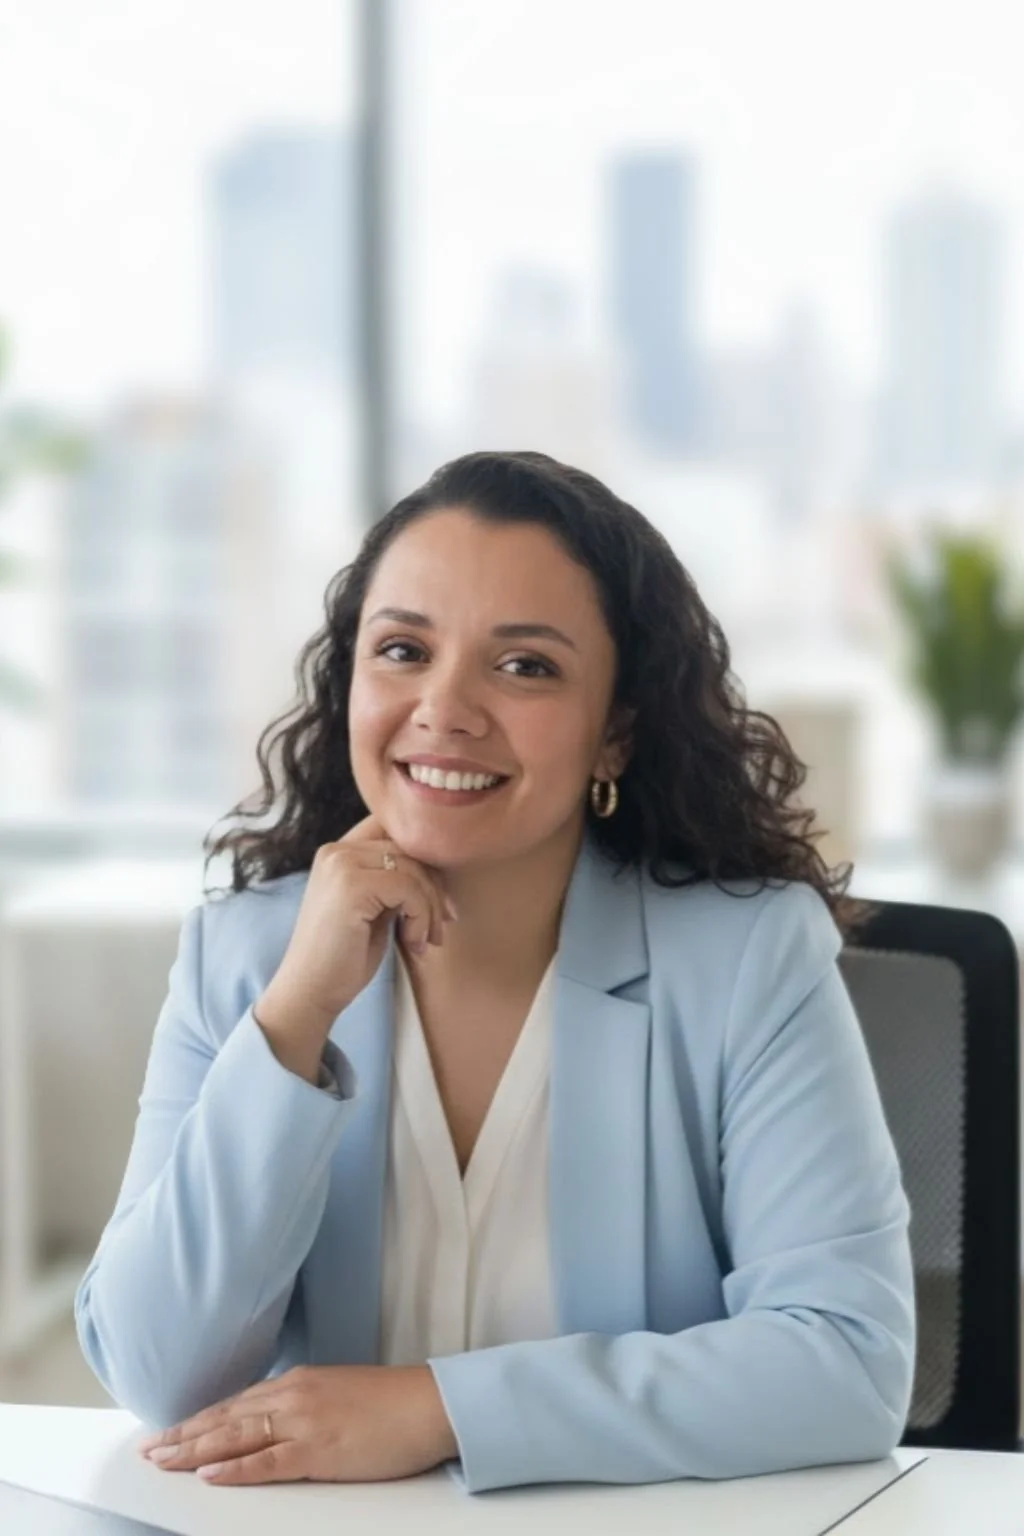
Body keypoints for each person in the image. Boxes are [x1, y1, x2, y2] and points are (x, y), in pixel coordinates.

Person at [75, 449, 915, 1495]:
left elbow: (845, 1363)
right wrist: (295, 1018)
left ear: (616, 731)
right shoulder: (246, 955)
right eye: (402, 651)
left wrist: (435, 1408)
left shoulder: (747, 959)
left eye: (525, 667)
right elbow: (159, 1378)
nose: (445, 707)